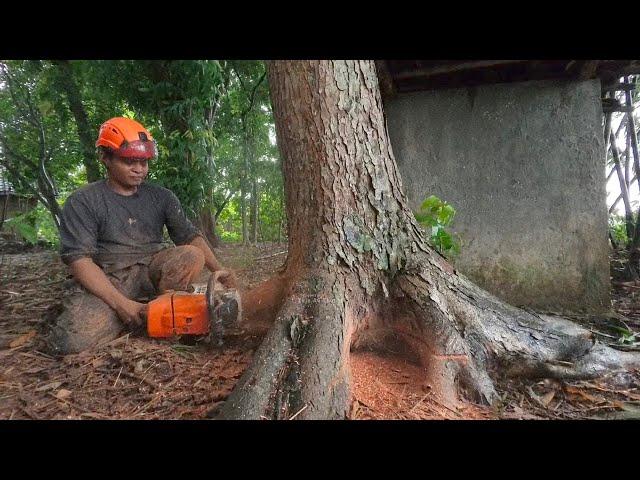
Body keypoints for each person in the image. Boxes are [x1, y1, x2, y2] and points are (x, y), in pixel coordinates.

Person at [46, 117, 236, 355]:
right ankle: (135, 314)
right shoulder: (84, 201)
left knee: (191, 254)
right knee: (71, 343)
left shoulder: (161, 197)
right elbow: (79, 260)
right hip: (110, 276)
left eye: (144, 162)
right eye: (129, 161)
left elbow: (190, 237)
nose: (139, 169)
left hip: (151, 270)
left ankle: (162, 312)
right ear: (106, 157)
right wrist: (121, 304)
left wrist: (221, 272)